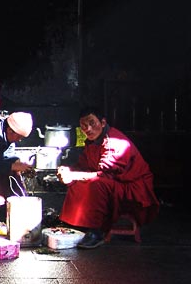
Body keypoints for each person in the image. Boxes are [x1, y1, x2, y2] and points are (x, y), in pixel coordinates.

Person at [57, 106, 159, 249]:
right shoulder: (93, 141)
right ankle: (73, 224)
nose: (88, 129)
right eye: (84, 125)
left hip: (133, 188)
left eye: (92, 123)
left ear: (103, 123)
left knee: (97, 183)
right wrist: (67, 170)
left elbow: (106, 175)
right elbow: (83, 166)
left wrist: (74, 175)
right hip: (114, 182)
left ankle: (97, 231)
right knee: (76, 182)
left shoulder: (114, 142)